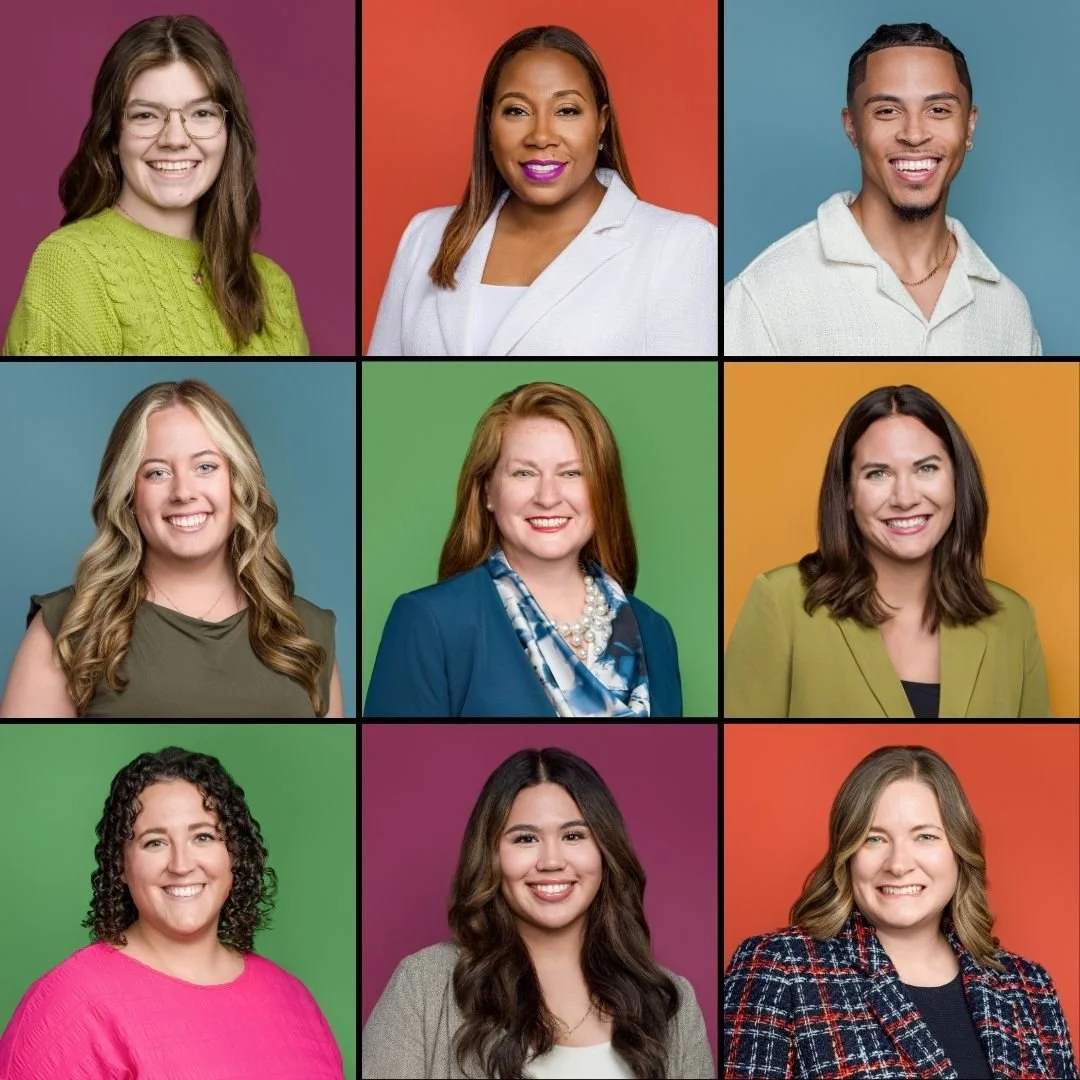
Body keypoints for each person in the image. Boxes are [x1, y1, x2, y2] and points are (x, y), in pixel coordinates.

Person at [723, 746, 1078, 1079]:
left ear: (959, 849)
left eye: (925, 837)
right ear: (846, 854)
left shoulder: (1030, 987)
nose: (898, 864)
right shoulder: (779, 967)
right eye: (873, 838)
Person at [362, 747, 715, 1079]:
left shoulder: (671, 1002)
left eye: (574, 836)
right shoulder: (423, 985)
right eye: (525, 839)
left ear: (605, 851)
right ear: (491, 856)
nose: (551, 862)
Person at [366, 25, 717, 356]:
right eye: (517, 111)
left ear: (602, 124)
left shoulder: (680, 247)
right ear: (489, 125)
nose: (541, 136)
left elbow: (692, 400)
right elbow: (380, 396)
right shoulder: (425, 237)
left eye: (567, 110)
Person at [0, 378, 341, 718]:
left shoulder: (306, 632)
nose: (183, 492)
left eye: (205, 467)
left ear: (238, 481)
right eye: (157, 473)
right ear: (129, 495)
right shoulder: (68, 628)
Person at [0, 747, 345, 1079]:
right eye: (155, 842)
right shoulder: (71, 1005)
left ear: (234, 854)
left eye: (204, 837)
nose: (181, 865)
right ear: (121, 864)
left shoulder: (295, 1000)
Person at [723, 383, 1050, 718]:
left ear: (956, 480)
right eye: (878, 473)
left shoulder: (1013, 621)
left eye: (926, 468)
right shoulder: (781, 603)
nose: (905, 498)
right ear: (847, 493)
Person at [362, 381, 682, 717]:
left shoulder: (654, 631)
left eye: (572, 473)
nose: (547, 497)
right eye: (523, 473)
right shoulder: (430, 622)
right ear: (487, 491)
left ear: (603, 490)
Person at [724, 22, 1042, 356]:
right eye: (887, 111)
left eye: (938, 110)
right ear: (852, 127)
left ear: (969, 125)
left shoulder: (1010, 310)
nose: (914, 134)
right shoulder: (764, 295)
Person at [2, 15, 308, 356]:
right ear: (113, 135)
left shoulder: (273, 287)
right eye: (146, 115)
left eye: (201, 113)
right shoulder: (71, 264)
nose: (175, 139)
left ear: (228, 132)